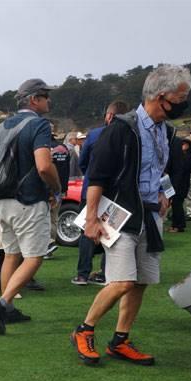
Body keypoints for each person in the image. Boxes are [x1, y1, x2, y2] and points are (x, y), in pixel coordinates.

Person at [69, 65, 191, 366]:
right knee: (123, 281)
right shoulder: (122, 129)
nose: (183, 103)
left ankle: (120, 341)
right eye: (181, 97)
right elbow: (97, 176)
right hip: (121, 216)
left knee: (140, 282)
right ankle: (84, 330)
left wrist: (164, 194)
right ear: (161, 96)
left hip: (150, 216)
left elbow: (157, 169)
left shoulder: (166, 131)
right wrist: (90, 220)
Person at [0, 78, 60, 334]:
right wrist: (56, 188)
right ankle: (3, 304)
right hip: (29, 200)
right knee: (34, 257)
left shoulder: (1, 127)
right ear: (34, 99)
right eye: (46, 96)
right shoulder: (39, 125)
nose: (49, 100)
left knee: (11, 254)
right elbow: (44, 166)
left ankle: (9, 309)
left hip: (2, 201)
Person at [73, 101, 130, 286]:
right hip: (116, 192)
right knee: (111, 233)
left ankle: (82, 274)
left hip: (91, 188)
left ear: (109, 115)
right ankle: (106, 273)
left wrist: (91, 173)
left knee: (87, 232)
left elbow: (83, 162)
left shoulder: (95, 134)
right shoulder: (130, 135)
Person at [167, 132, 191, 233]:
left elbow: (182, 170)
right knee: (176, 204)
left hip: (182, 184)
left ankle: (179, 226)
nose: (182, 146)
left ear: (189, 146)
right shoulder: (184, 156)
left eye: (185, 144)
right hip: (179, 183)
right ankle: (175, 224)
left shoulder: (189, 157)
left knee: (177, 204)